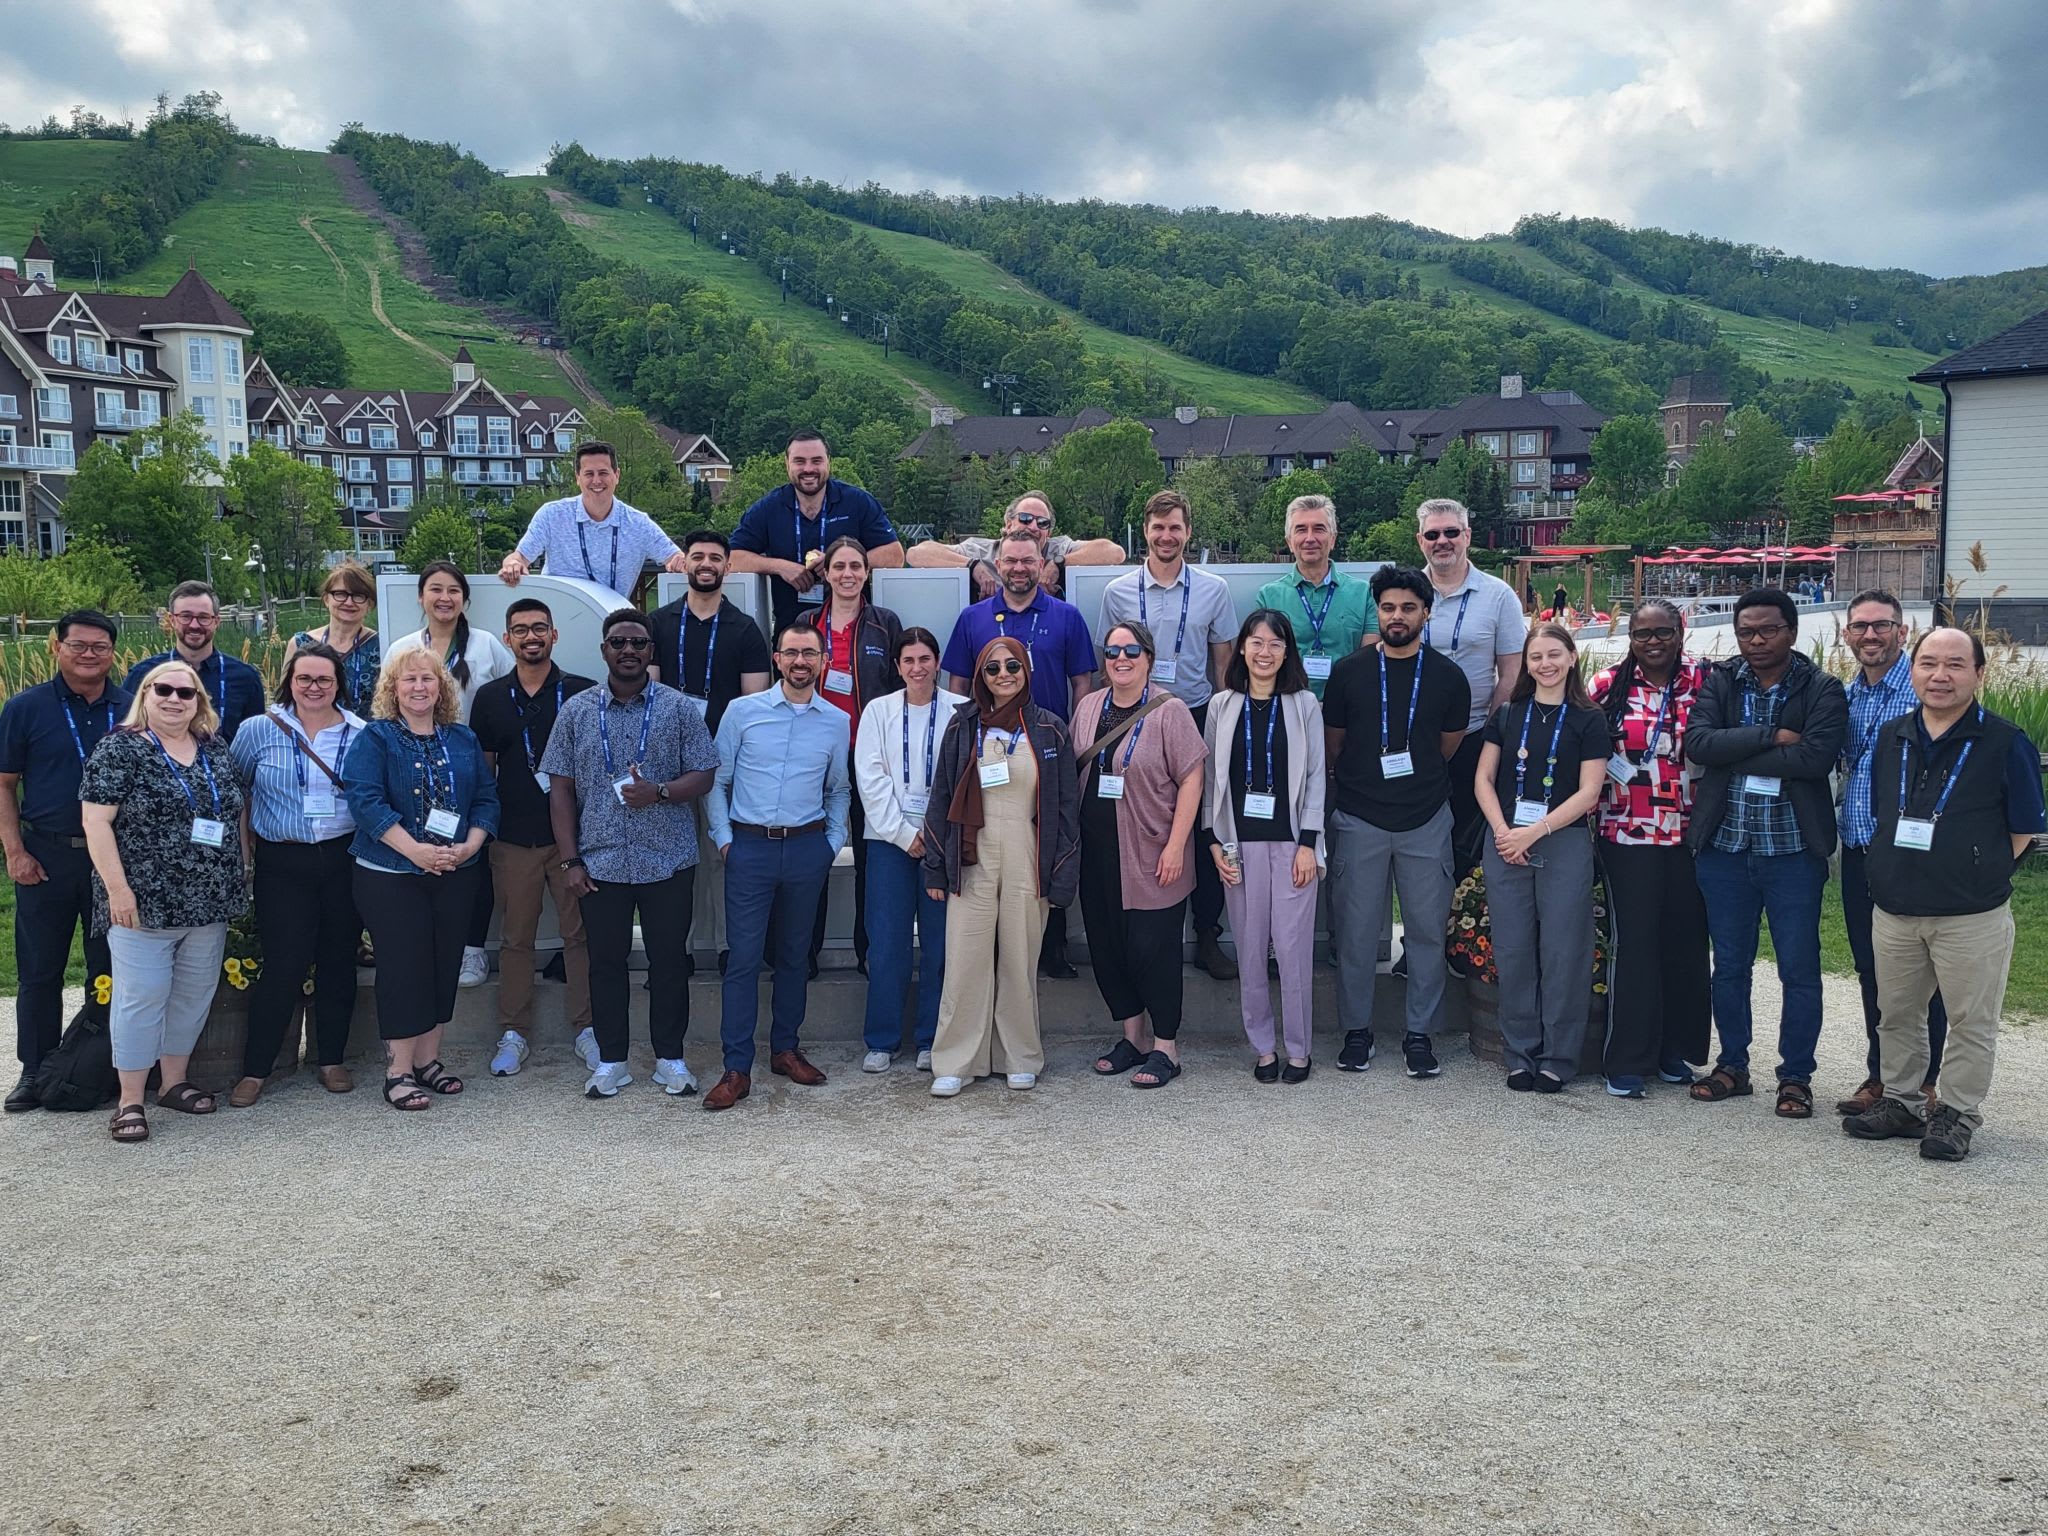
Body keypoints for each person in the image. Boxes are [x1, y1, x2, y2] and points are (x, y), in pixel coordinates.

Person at [1844, 627, 2045, 1162]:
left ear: (1979, 674)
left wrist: (1983, 869)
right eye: (1929, 663)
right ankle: (1904, 1102)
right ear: (1913, 672)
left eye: (1955, 665)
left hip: (1970, 913)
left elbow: (2023, 827)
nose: (1940, 675)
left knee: (1970, 1021)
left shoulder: (2005, 742)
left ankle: (1956, 1113)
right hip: (1896, 907)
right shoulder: (1893, 736)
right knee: (1897, 1014)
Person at [1682, 587, 1847, 1119]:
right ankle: (1732, 1064)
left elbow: (1816, 758)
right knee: (1729, 966)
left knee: (1799, 968)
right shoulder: (1721, 681)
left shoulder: (1822, 687)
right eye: (1746, 631)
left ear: (1791, 632)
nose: (1756, 640)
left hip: (1793, 852)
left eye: (1768, 630)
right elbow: (1700, 746)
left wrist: (1738, 752)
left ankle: (1796, 1076)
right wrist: (1772, 735)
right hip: (1725, 849)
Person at [542, 609, 719, 1099]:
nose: (628, 651)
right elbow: (560, 791)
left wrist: (659, 792)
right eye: (618, 642)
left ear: (650, 651)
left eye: (638, 643)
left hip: (668, 860)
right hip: (600, 864)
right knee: (605, 964)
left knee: (668, 962)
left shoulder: (679, 708)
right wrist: (570, 860)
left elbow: (703, 774)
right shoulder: (577, 710)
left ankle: (670, 1058)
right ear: (604, 650)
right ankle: (612, 1060)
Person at [79, 660, 248, 1143]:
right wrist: (117, 889)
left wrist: (241, 870)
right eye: (164, 690)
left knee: (194, 996)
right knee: (141, 997)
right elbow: (96, 823)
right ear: (145, 695)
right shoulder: (120, 748)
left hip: (208, 901)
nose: (175, 699)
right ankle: (130, 1099)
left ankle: (173, 1082)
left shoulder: (214, 749)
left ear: (199, 701)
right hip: (143, 902)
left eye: (186, 692)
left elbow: (234, 810)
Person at [1323, 566, 1471, 1078]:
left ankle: (1419, 1035)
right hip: (1360, 816)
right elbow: (1334, 742)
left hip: (1426, 818)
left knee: (1426, 933)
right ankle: (1357, 1032)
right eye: (1388, 607)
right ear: (1377, 612)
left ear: (1426, 613)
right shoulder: (1350, 672)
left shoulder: (1449, 676)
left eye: (1409, 608)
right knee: (1358, 933)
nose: (1397, 617)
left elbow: (1448, 746)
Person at [701, 622, 852, 1110]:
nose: (801, 661)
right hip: (749, 849)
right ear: (777, 658)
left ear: (823, 660)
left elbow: (838, 789)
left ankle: (785, 1049)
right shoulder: (742, 713)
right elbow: (717, 783)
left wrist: (831, 843)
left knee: (794, 956)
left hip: (807, 849)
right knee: (743, 959)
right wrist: (725, 842)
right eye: (792, 653)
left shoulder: (835, 721)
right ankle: (736, 1067)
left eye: (810, 653)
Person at [922, 636, 1080, 1097]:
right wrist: (935, 867)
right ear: (980, 677)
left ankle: (1020, 1055)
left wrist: (1062, 873)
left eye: (1013, 665)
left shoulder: (1050, 729)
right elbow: (941, 799)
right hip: (972, 852)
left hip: (1028, 851)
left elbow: (1066, 807)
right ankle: (956, 1059)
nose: (1004, 674)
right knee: (965, 959)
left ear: (1027, 669)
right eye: (992, 669)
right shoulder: (962, 726)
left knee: (1019, 956)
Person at [343, 649, 499, 1111]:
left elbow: (486, 799)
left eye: (428, 680)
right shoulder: (376, 738)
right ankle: (398, 1071)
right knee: (404, 967)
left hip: (456, 871)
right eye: (409, 680)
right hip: (391, 873)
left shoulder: (462, 738)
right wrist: (415, 851)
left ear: (441, 688)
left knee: (443, 963)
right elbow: (365, 800)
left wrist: (470, 847)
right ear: (393, 688)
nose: (419, 687)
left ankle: (430, 1062)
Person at [938, 525, 1097, 978]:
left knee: (1049, 831)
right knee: (991, 839)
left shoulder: (1066, 616)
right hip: (988, 746)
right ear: (997, 564)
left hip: (1046, 747)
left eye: (1028, 560)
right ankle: (990, 946)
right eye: (1011, 560)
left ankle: (1053, 947)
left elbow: (1083, 684)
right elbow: (958, 684)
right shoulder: (974, 617)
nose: (1019, 568)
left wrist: (1074, 741)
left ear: (1042, 563)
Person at [1101, 488, 1240, 979]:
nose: (1167, 536)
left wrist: (1226, 729)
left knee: (1203, 827)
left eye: (1175, 527)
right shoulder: (1118, 592)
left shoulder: (1213, 590)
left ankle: (1206, 934)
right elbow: (1111, 664)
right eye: (1158, 528)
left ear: (1187, 531)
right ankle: (1141, 927)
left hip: (1196, 716)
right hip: (1136, 720)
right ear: (1145, 531)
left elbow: (1223, 664)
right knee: (1144, 824)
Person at [1473, 623, 1611, 1093]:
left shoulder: (1589, 719)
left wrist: (1534, 830)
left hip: (1562, 842)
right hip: (1506, 843)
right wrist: (1502, 832)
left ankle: (1557, 1057)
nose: (1545, 664)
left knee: (1563, 953)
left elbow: (1590, 792)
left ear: (1572, 657)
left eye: (1555, 654)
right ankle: (1519, 1053)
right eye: (1536, 657)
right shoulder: (1510, 714)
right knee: (1512, 951)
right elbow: (1483, 780)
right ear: (1526, 664)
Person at [1, 610, 130, 1112]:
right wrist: (15, 851)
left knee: (110, 968)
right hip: (47, 854)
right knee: (39, 970)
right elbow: (5, 784)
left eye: (100, 646)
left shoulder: (132, 708)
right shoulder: (26, 707)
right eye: (79, 645)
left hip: (114, 861)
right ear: (57, 647)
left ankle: (97, 1067)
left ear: (112, 653)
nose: (89, 654)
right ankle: (34, 1070)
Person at [226, 645, 366, 1106]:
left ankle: (330, 1059)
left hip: (342, 857)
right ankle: (256, 1068)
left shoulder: (359, 732)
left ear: (338, 685)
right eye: (304, 679)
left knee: (337, 960)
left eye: (324, 680)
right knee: (283, 965)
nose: (314, 687)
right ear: (289, 681)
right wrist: (244, 853)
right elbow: (238, 791)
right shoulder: (258, 730)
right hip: (282, 861)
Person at [467, 597, 596, 1079]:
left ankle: (587, 1027)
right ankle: (514, 1032)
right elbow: (485, 773)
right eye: (520, 630)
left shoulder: (583, 693)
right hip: (514, 839)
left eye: (539, 628)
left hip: (573, 843)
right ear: (508, 639)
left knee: (579, 937)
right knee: (516, 939)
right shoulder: (490, 697)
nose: (531, 637)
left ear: (554, 635)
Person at [1075, 621, 1206, 1090]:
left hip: (1154, 853)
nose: (1121, 659)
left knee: (1154, 951)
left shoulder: (1170, 711)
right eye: (1112, 652)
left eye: (1131, 650)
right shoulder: (1090, 706)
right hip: (1098, 854)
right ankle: (1132, 1038)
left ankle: (1166, 1047)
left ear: (1148, 657)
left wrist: (1176, 844)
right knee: (1109, 947)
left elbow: (1192, 777)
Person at [1588, 599, 1712, 1096]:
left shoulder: (1706, 684)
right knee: (1634, 945)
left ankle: (1674, 1051)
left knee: (1684, 945)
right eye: (1643, 634)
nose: (1654, 642)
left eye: (1663, 632)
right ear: (1630, 638)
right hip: (1627, 833)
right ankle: (1627, 1057)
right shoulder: (1606, 688)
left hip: (1691, 834)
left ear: (1680, 631)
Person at [1200, 610, 1325, 1082]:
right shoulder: (1222, 705)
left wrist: (1310, 844)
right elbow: (1213, 780)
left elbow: (1315, 779)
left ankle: (1298, 1049)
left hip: (1293, 844)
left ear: (1287, 651)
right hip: (1237, 845)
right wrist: (1213, 842)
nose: (1264, 652)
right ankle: (1263, 1049)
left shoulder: (1304, 704)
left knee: (1291, 952)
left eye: (1275, 643)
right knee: (1250, 951)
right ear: (1242, 649)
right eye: (1256, 642)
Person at [1834, 589, 1945, 1116]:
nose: (1871, 635)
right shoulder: (1846, 697)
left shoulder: (1923, 693)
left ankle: (1924, 1081)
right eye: (1861, 627)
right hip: (1859, 852)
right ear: (1847, 634)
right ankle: (1882, 1075)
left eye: (1882, 626)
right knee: (1871, 968)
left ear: (1903, 632)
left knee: (1926, 971)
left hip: (1912, 856)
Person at [648, 528, 772, 973]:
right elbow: (651, 696)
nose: (705, 564)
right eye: (697, 556)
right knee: (670, 862)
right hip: (669, 763)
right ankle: (672, 952)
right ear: (685, 563)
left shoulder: (745, 630)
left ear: (727, 566)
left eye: (715, 557)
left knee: (722, 857)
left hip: (722, 764)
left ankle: (725, 947)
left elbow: (750, 708)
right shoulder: (658, 624)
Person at [385, 561, 515, 989]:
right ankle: (428, 945)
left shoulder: (485, 644)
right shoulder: (404, 646)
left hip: (469, 763)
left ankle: (472, 950)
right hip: (415, 762)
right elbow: (387, 702)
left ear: (465, 599)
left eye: (454, 590)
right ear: (421, 597)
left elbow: (503, 698)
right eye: (435, 590)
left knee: (471, 858)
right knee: (420, 851)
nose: (445, 598)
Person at [854, 628, 968, 1073]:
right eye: (908, 660)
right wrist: (904, 834)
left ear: (937, 662)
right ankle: (882, 1039)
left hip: (943, 844)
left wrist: (933, 836)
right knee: (887, 944)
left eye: (925, 659)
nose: (917, 668)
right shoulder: (878, 711)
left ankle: (931, 1038)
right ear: (897, 667)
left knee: (941, 945)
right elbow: (872, 777)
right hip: (888, 844)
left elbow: (963, 779)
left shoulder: (960, 711)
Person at [803, 535, 903, 977]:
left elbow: (901, 691)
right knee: (811, 855)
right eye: (839, 567)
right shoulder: (806, 623)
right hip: (815, 758)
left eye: (856, 567)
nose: (847, 575)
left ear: (867, 573)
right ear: (825, 574)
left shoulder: (885, 625)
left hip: (869, 758)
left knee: (872, 859)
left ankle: (869, 951)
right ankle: (804, 952)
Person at [1415, 499, 1526, 871]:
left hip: (1475, 736)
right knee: (1419, 844)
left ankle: (1463, 925)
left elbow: (1512, 672)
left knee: (1467, 842)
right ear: (1420, 541)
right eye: (1433, 534)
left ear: (1467, 536)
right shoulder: (1408, 594)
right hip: (1415, 739)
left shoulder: (1498, 596)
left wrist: (1492, 735)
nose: (1441, 541)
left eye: (1451, 532)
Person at [728, 430, 905, 629]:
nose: (808, 469)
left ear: (829, 462)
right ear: (787, 464)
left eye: (816, 461)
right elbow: (732, 558)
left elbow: (895, 555)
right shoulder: (768, 508)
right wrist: (780, 566)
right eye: (800, 461)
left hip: (854, 632)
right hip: (792, 633)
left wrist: (838, 564)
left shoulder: (857, 502)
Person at [498, 440, 688, 598]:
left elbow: (674, 556)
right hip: (557, 620)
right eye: (589, 474)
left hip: (612, 623)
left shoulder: (638, 523)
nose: (596, 481)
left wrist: (679, 562)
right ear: (578, 478)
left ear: (617, 475)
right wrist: (512, 565)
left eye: (603, 473)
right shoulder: (551, 515)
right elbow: (519, 557)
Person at [1254, 494, 1377, 702]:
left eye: (1319, 529)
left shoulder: (1364, 593)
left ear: (1333, 538)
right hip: (1288, 706)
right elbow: (1263, 661)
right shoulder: (1269, 597)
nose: (1310, 538)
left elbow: (1369, 663)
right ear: (1289, 542)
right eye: (1301, 529)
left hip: (1347, 709)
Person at [907, 490, 1124, 599]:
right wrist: (973, 567)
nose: (1032, 526)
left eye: (1042, 522)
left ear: (1049, 532)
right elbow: (916, 555)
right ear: (1008, 523)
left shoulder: (1060, 549)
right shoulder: (980, 550)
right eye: (1025, 518)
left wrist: (1058, 564)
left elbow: (1115, 553)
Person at [126, 580, 267, 743]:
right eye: (185, 616)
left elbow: (255, 741)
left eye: (203, 617)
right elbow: (129, 730)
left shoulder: (246, 678)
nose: (194, 625)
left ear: (216, 622)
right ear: (172, 620)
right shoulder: (143, 675)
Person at [286, 561, 382, 710]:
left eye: (358, 596)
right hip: (310, 732)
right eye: (340, 594)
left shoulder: (382, 646)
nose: (349, 602)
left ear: (369, 604)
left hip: (365, 732)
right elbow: (285, 701)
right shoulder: (300, 644)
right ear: (326, 599)